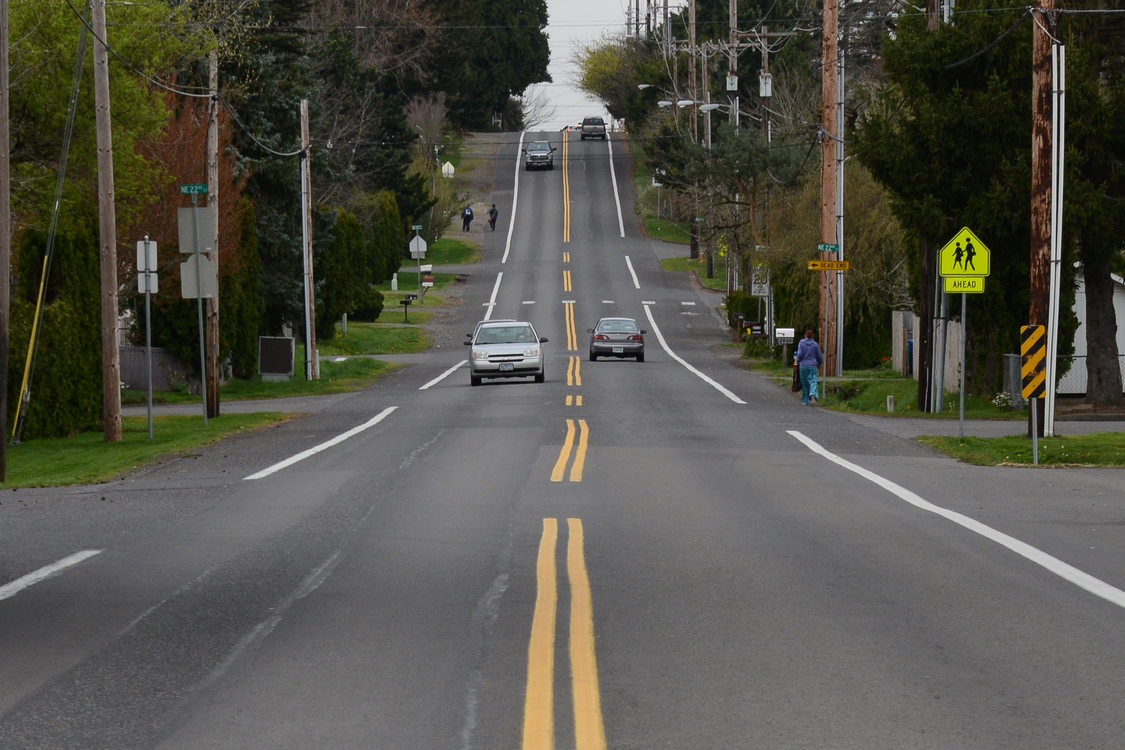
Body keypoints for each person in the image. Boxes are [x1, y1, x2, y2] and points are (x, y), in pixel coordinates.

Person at [794, 327, 823, 405]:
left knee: (804, 383)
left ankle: (805, 400)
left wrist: (797, 360)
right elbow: (819, 356)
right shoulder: (815, 344)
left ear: (805, 335)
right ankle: (812, 394)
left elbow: (799, 354)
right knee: (813, 380)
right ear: (812, 336)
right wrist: (820, 363)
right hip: (813, 365)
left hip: (803, 365)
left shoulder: (801, 342)